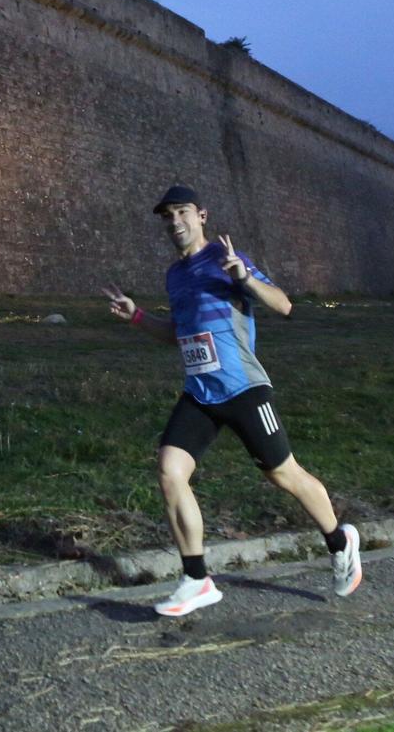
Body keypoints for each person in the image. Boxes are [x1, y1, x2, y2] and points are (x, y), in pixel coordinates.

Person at [102, 184, 361, 617]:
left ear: (201, 216)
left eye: (182, 212)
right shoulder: (174, 274)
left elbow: (285, 306)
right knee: (169, 470)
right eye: (167, 216)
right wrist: (138, 317)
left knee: (284, 474)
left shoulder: (225, 260)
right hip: (201, 393)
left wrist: (243, 277)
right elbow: (178, 335)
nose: (175, 222)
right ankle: (196, 578)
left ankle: (340, 540)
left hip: (243, 389)